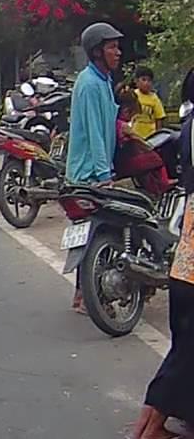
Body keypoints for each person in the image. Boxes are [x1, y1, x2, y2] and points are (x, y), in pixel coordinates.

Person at [125, 68, 194, 439]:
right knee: (187, 348)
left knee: (183, 343)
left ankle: (144, 425)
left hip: (187, 247)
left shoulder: (188, 127)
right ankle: (151, 427)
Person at [67, 22, 125, 314]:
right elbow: (94, 133)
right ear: (98, 51)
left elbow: (107, 122)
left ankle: (81, 295)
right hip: (89, 173)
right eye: (112, 47)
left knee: (90, 236)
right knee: (105, 234)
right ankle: (95, 297)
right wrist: (104, 175)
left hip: (91, 169)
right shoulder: (90, 84)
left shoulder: (102, 81)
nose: (118, 52)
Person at [131, 66, 166, 140]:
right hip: (134, 135)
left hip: (150, 136)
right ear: (136, 81)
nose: (146, 83)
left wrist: (158, 137)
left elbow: (159, 118)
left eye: (149, 80)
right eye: (143, 80)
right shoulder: (133, 95)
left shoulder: (154, 98)